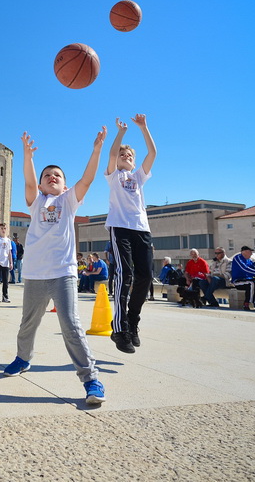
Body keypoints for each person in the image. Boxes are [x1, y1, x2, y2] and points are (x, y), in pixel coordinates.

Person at [2, 128, 107, 407]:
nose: (52, 178)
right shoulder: (36, 201)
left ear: (64, 184)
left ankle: (91, 379)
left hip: (63, 273)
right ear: (41, 184)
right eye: (47, 176)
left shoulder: (69, 201)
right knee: (29, 323)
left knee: (71, 325)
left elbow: (88, 179)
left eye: (57, 176)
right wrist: (27, 155)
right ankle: (23, 358)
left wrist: (96, 150)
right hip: (35, 274)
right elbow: (27, 178)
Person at [104, 114, 157, 354]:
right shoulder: (114, 176)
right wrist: (121, 133)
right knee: (124, 274)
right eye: (124, 155)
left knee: (145, 276)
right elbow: (113, 154)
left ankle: (133, 320)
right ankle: (119, 327)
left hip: (141, 229)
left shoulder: (138, 177)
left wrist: (144, 128)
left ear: (134, 163)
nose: (126, 157)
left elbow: (152, 154)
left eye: (130, 156)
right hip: (120, 228)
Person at [231, 245, 255, 311]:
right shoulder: (237, 258)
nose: (251, 254)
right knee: (251, 283)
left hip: (247, 279)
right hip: (238, 281)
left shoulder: (249, 260)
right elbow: (244, 268)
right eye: (250, 252)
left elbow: (254, 265)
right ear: (244, 252)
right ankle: (249, 303)